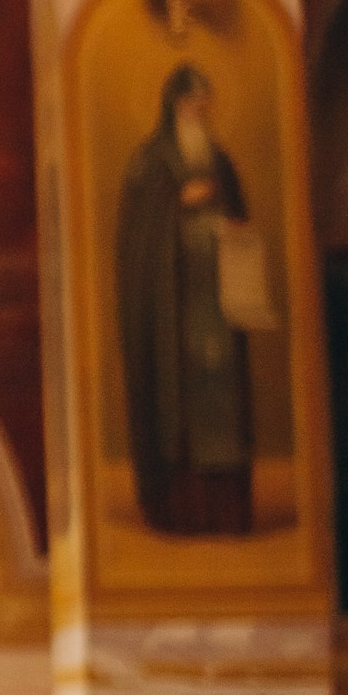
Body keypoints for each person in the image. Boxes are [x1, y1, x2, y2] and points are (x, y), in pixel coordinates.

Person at [117, 61, 266, 534]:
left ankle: (225, 512)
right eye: (193, 100)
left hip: (218, 311)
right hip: (174, 315)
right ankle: (180, 512)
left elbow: (239, 211)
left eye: (206, 100)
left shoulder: (219, 158)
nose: (201, 109)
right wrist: (179, 203)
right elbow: (139, 232)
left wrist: (234, 227)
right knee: (178, 411)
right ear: (174, 105)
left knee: (221, 409)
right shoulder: (152, 160)